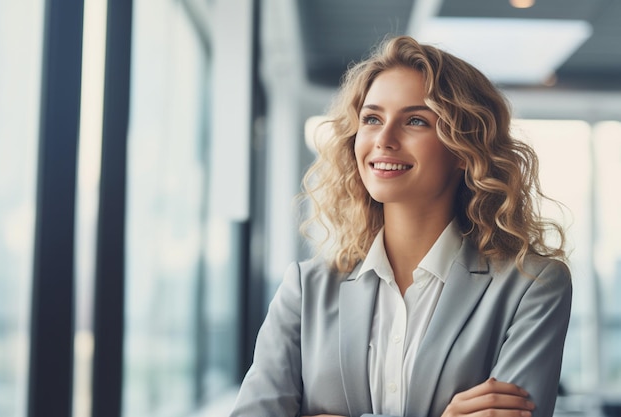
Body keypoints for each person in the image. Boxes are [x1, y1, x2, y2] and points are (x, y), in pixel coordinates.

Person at [229, 36, 572, 417]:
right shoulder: (306, 289)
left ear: (464, 148)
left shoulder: (531, 286)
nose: (383, 139)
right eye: (372, 119)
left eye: (415, 121)